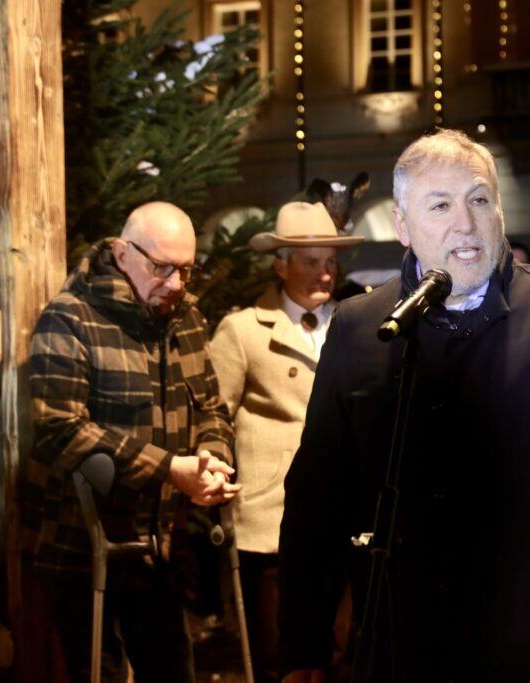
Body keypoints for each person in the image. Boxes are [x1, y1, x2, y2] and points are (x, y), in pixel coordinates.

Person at [278, 129, 530, 683]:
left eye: (479, 200)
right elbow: (317, 494)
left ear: (499, 213)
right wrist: (304, 646)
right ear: (402, 226)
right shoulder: (362, 328)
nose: (465, 223)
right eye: (440, 205)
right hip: (403, 644)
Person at [26, 202, 240, 683]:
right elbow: (58, 426)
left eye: (186, 269)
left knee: (173, 670)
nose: (176, 284)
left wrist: (212, 459)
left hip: (159, 546)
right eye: (161, 267)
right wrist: (168, 469)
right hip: (83, 549)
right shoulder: (70, 317)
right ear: (123, 254)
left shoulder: (186, 319)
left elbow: (211, 409)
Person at [209, 201, 363, 682]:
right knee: (281, 654)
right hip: (271, 515)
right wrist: (214, 463)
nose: (324, 274)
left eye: (330, 262)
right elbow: (215, 411)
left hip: (346, 512)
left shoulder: (354, 324)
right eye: (311, 262)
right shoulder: (243, 330)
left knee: (341, 649)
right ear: (281, 265)